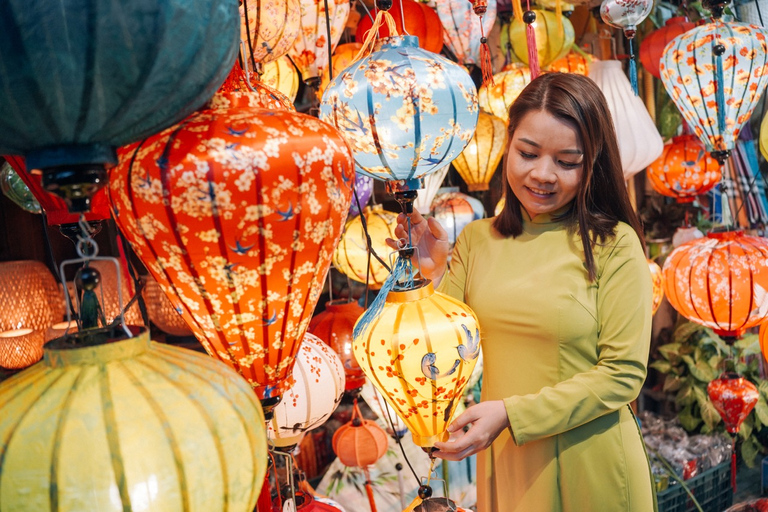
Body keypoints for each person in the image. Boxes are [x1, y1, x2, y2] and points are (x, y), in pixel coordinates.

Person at [387, 72, 656, 511]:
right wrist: (431, 271)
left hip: (589, 461)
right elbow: (446, 347)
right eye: (528, 153)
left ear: (593, 164)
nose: (542, 174)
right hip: (508, 459)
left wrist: (511, 414)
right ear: (508, 144)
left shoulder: (615, 244)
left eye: (567, 162)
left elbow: (623, 374)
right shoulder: (476, 240)